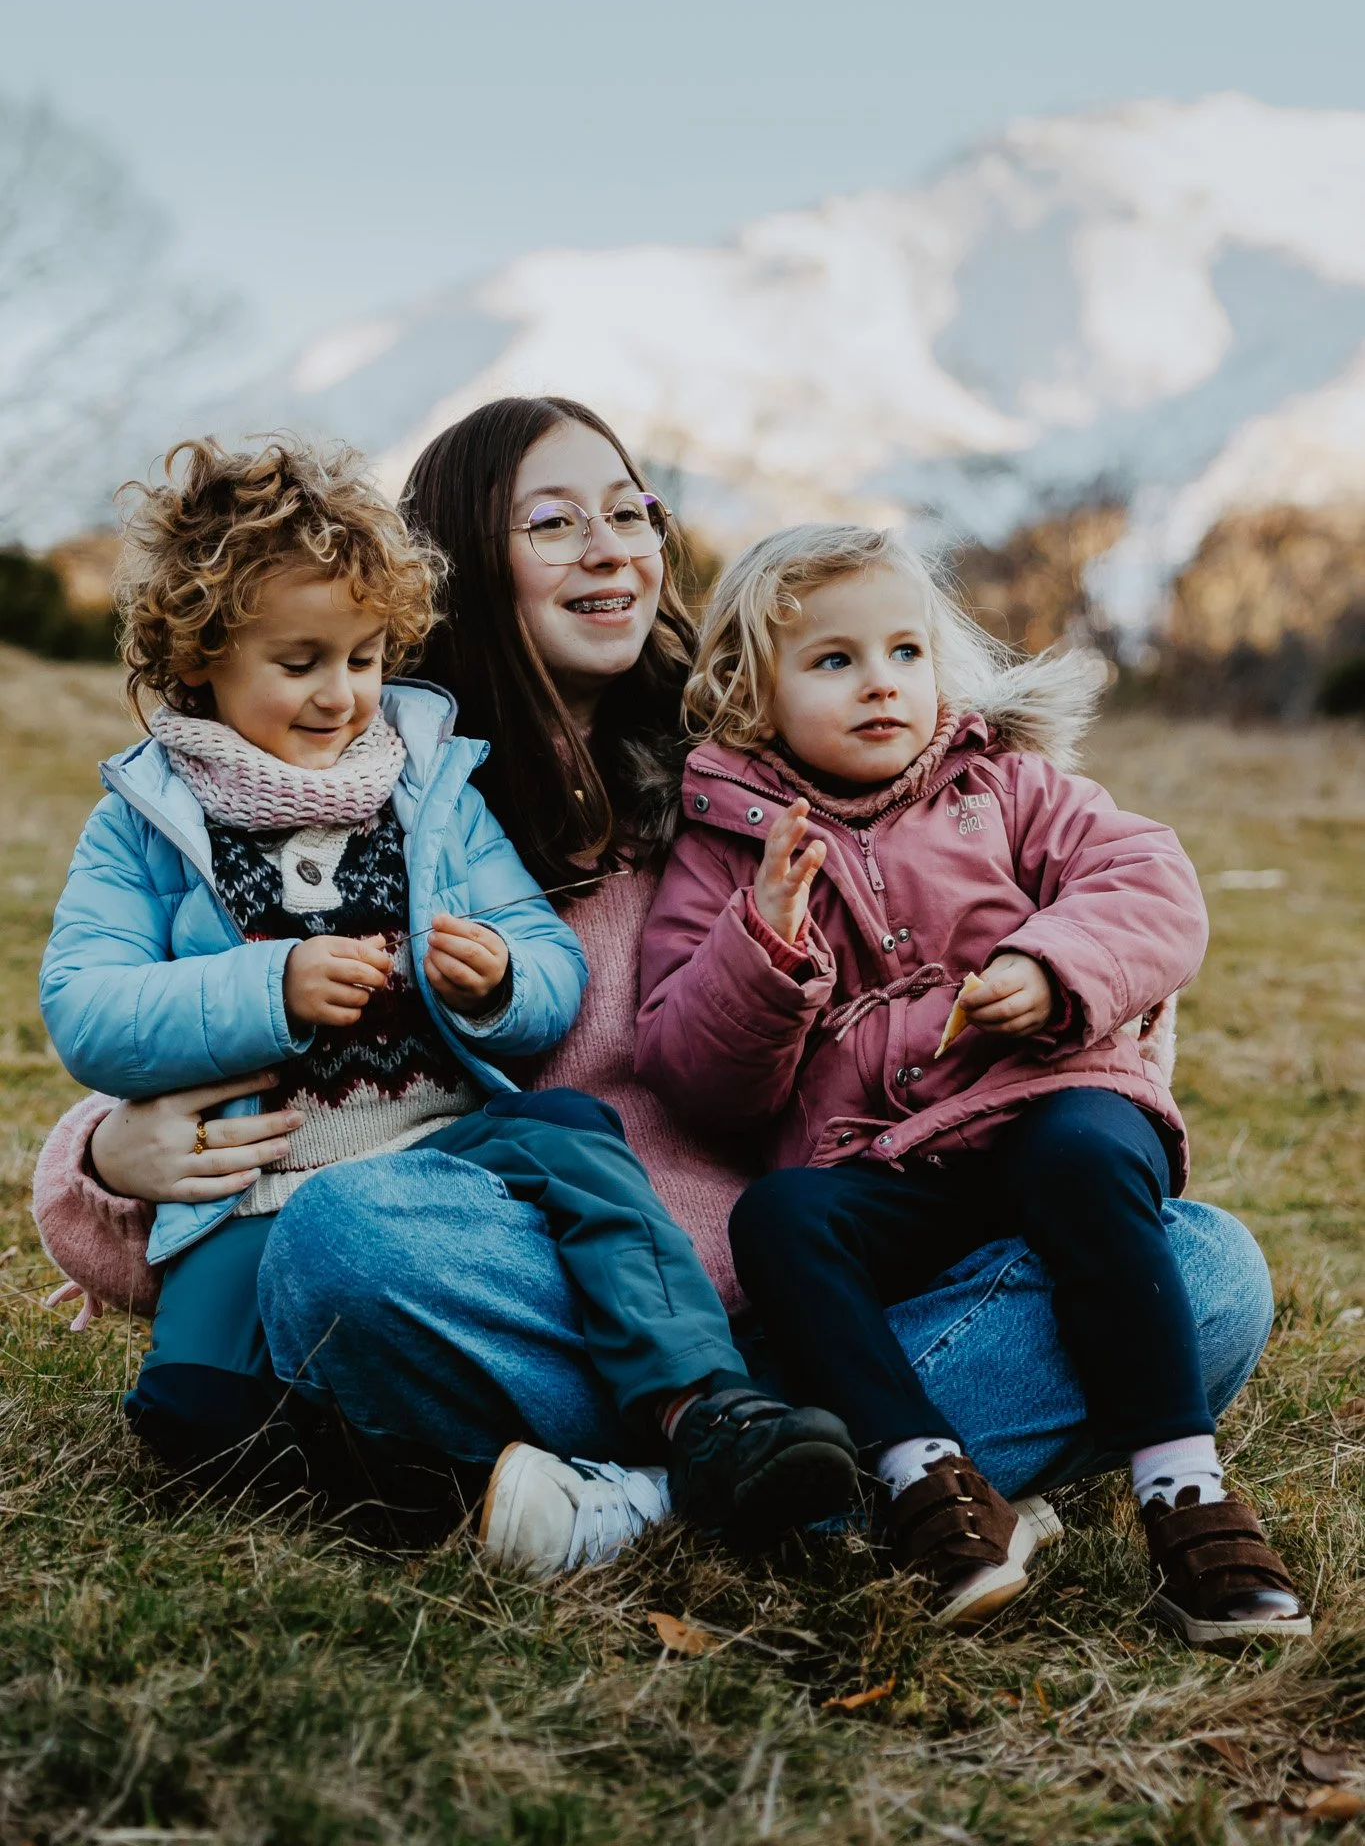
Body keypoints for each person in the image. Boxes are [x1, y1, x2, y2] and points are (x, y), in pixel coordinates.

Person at [33, 397, 1276, 1583]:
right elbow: (205, 1037)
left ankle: (658, 1496)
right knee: (343, 1240)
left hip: (842, 1260)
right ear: (466, 558)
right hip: (580, 1300)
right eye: (555, 522)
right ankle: (824, 1463)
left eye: (631, 513)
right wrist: (105, 1152)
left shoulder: (774, 760)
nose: (610, 549)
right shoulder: (400, 804)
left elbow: (1051, 941)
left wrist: (1051, 1001)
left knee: (1212, 1272)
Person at [37, 435, 860, 1553]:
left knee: (567, 1131)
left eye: (369, 657)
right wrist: (258, 994)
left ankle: (709, 1413)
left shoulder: (434, 783)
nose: (343, 695)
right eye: (302, 662)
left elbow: (541, 963)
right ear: (202, 657)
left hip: (452, 1150)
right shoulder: (151, 817)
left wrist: (502, 980)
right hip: (277, 1193)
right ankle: (520, 1490)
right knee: (199, 1412)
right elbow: (88, 1008)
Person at [635, 521, 1309, 1647]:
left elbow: (1149, 879)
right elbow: (693, 1076)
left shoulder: (1003, 785)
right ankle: (925, 1474)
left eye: (905, 650)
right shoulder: (725, 851)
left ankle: (1183, 1488)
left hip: (1052, 1107)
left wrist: (1054, 968)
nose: (880, 684)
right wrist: (766, 938)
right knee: (782, 1217)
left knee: (1084, 1153)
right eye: (835, 661)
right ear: (753, 699)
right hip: (888, 1164)